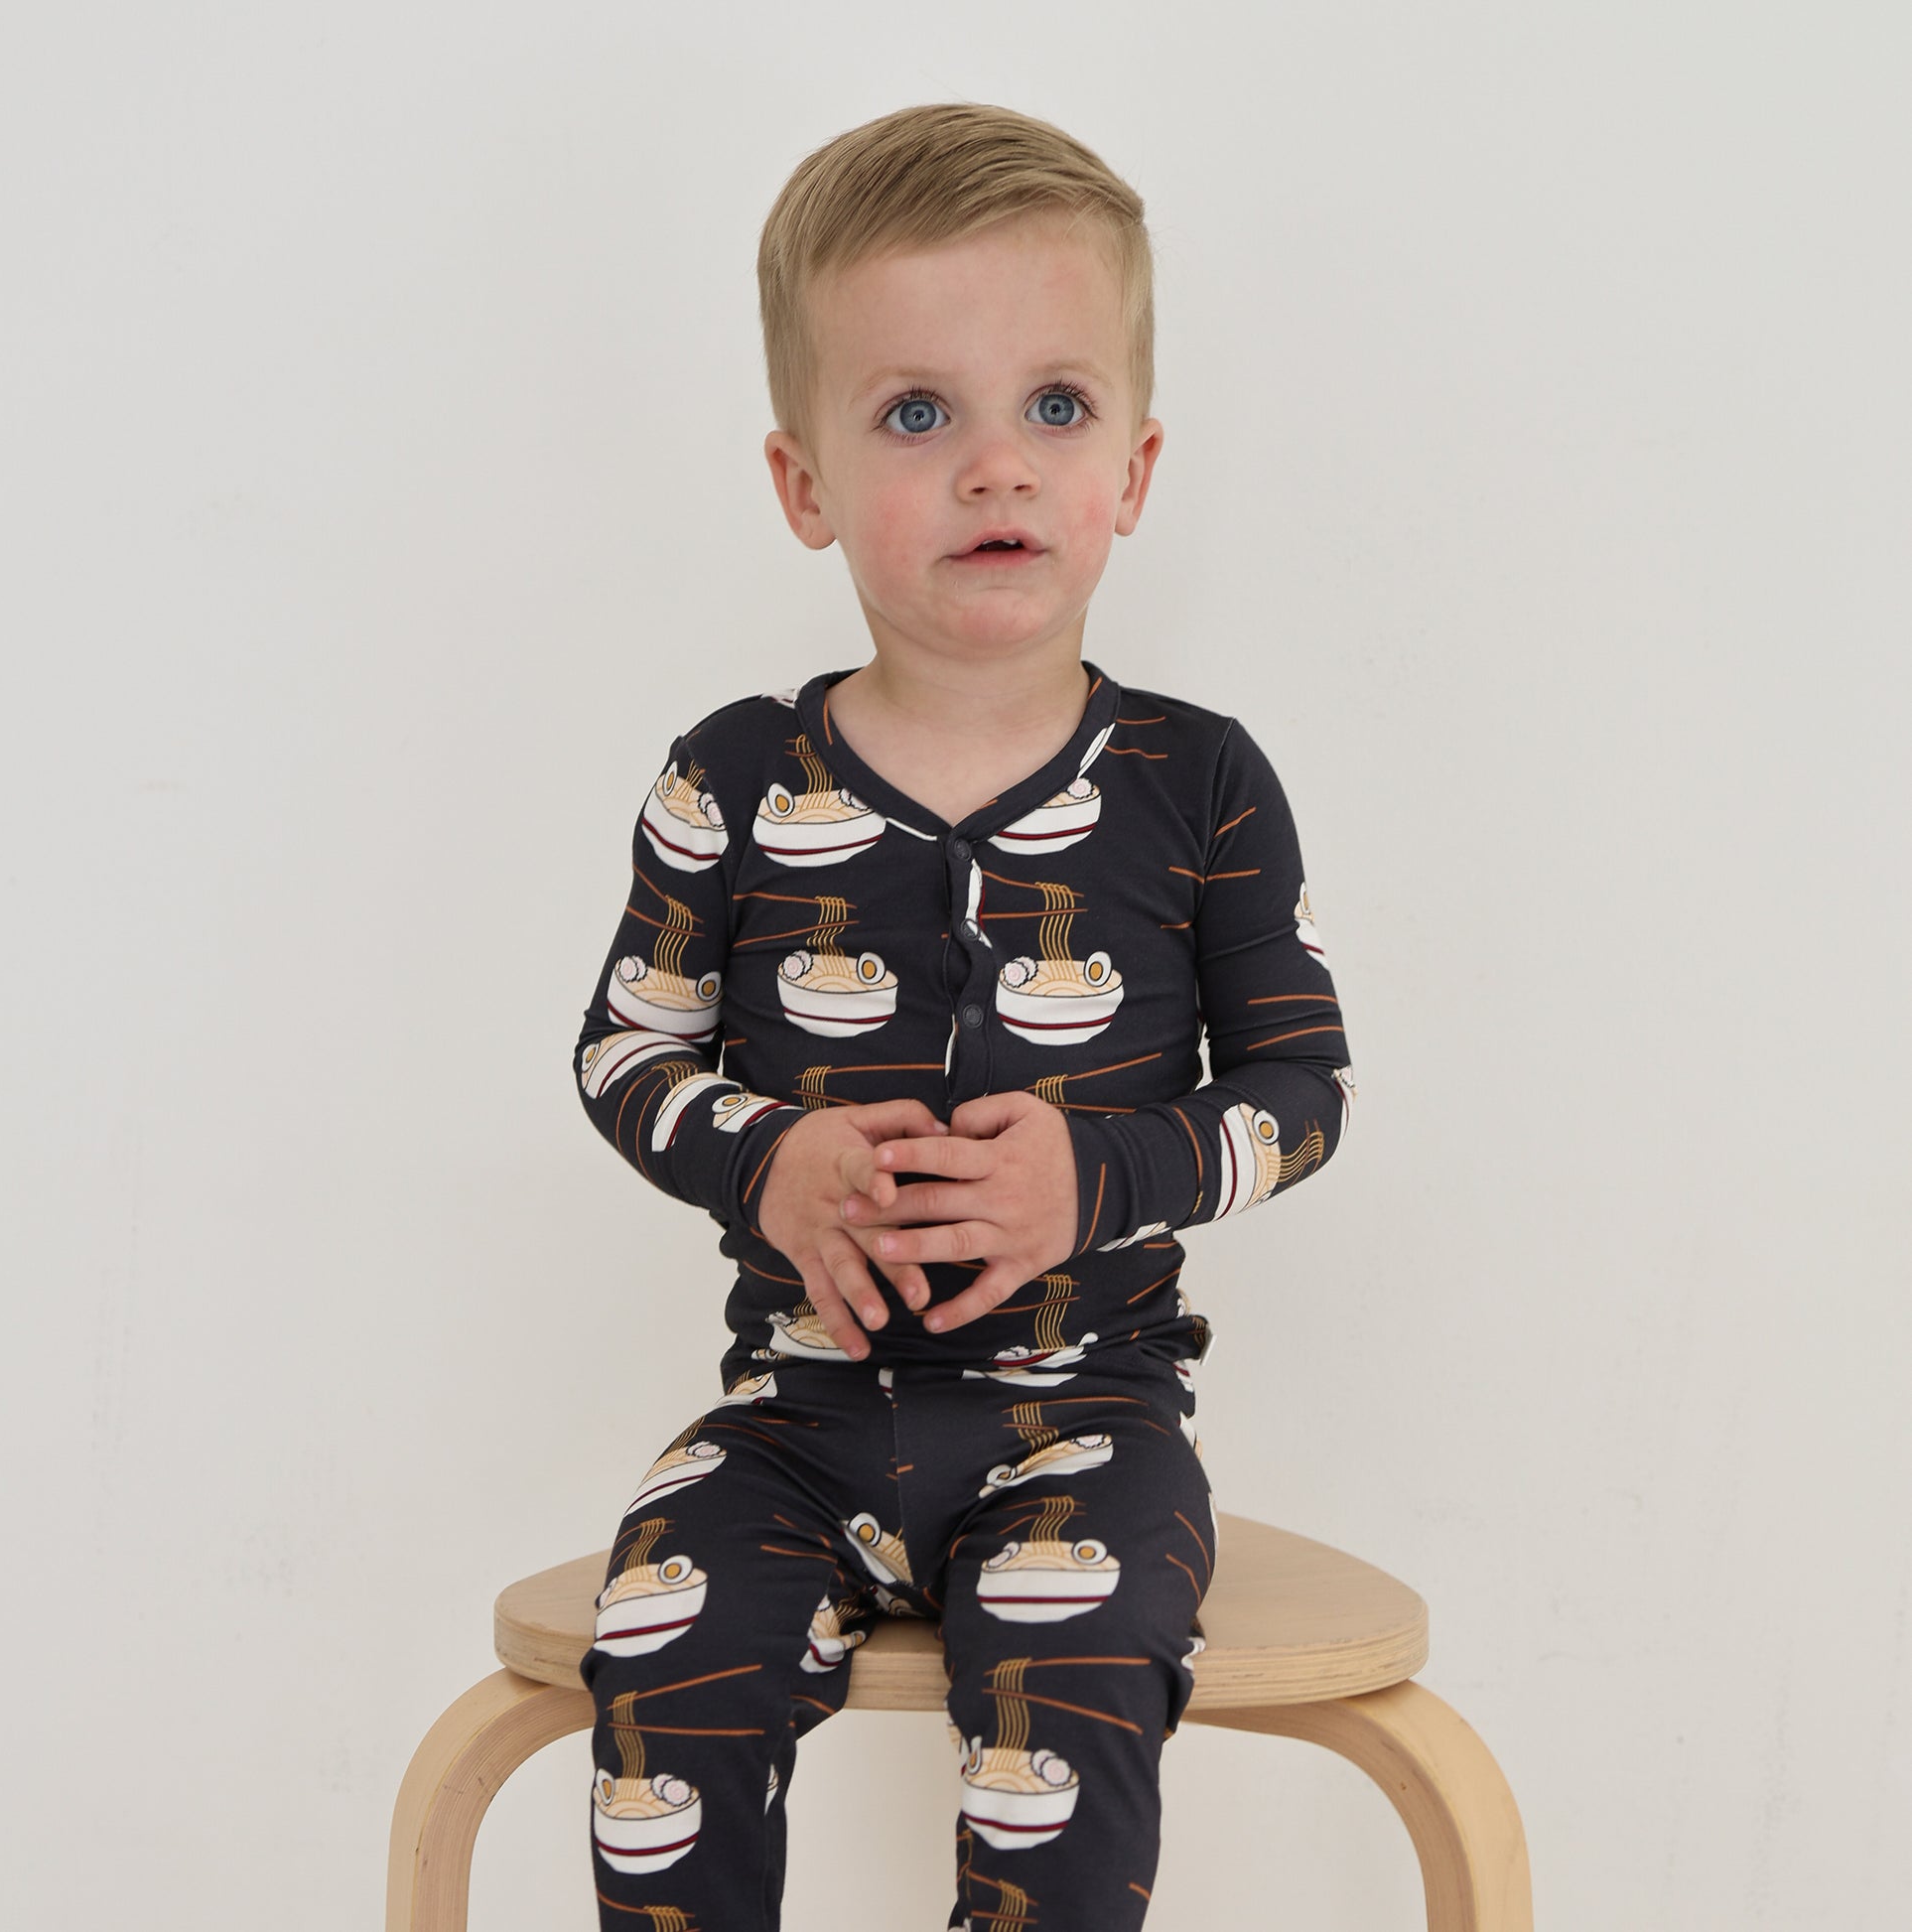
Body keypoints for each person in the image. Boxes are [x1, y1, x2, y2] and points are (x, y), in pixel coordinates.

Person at [571, 100, 1355, 1932]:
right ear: (806, 485)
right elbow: (625, 1050)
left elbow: (1300, 1086)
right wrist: (763, 1157)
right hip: (795, 1413)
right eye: (918, 414)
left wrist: (1101, 1175)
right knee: (658, 1669)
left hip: (1088, 1418)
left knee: (1067, 1731)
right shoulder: (732, 776)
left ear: (1132, 469)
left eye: (1054, 408)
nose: (997, 467)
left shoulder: (1197, 781)